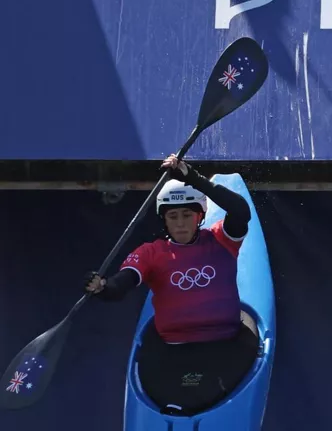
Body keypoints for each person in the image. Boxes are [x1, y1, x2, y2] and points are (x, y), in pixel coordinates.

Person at [85, 155, 259, 414]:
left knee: (205, 398)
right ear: (163, 219)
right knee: (176, 406)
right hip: (174, 351)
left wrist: (192, 178)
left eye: (186, 215)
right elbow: (123, 284)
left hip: (226, 345)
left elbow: (241, 211)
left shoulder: (222, 239)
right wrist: (103, 288)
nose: (180, 223)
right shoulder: (151, 253)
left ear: (200, 216)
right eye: (173, 216)